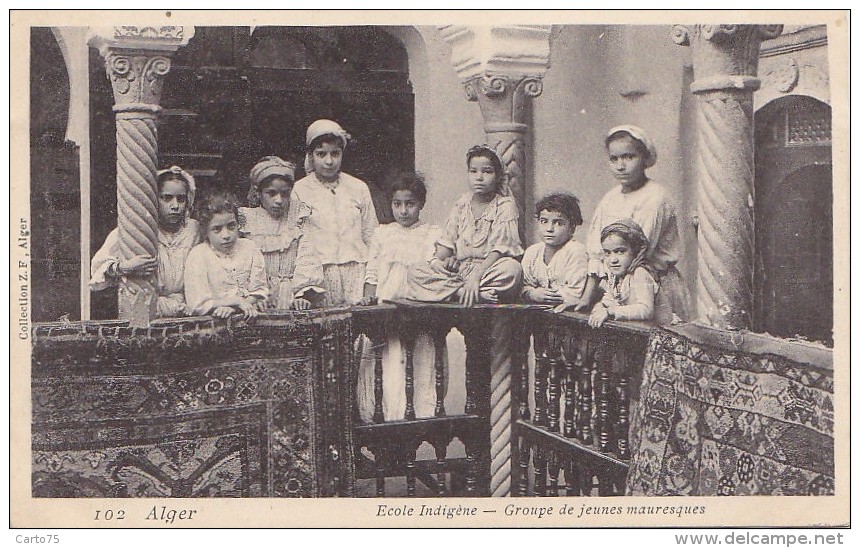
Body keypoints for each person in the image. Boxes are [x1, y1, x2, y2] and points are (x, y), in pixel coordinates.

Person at [573, 125, 690, 322]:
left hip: (652, 288)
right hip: (618, 286)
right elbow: (597, 252)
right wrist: (586, 298)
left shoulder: (655, 198)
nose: (620, 166)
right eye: (614, 159)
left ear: (645, 158)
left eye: (628, 157)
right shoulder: (610, 198)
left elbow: (637, 253)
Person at [356, 172, 447, 422]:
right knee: (388, 370)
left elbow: (436, 269)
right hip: (387, 312)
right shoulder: (383, 234)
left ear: (421, 204)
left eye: (410, 204)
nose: (404, 211)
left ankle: (417, 421)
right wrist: (369, 297)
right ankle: (388, 422)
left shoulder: (432, 233)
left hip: (418, 311)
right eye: (397, 204)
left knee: (419, 365)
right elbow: (372, 271)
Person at [408, 145, 523, 306]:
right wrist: (440, 262)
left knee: (513, 269)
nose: (479, 177)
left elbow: (499, 249)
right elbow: (446, 245)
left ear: (498, 176)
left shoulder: (505, 205)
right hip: (460, 272)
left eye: (487, 171)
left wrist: (475, 278)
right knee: (415, 271)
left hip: (487, 271)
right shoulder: (462, 204)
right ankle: (463, 292)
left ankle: (454, 291)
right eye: (473, 171)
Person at [288, 119, 378, 306]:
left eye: (335, 153)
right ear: (311, 155)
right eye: (321, 154)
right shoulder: (299, 190)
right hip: (319, 279)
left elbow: (373, 238)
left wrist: (371, 285)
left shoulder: (358, 188)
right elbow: (296, 241)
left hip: (357, 275)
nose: (329, 161)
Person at [89, 166, 200, 318]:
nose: (175, 206)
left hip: (186, 311)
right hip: (148, 310)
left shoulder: (194, 230)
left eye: (181, 199)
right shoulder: (136, 229)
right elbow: (98, 267)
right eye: (166, 198)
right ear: (154, 199)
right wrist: (124, 268)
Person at [239, 156, 324, 310]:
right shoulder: (247, 219)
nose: (278, 200)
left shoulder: (297, 216)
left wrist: (302, 295)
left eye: (284, 194)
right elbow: (241, 262)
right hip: (258, 297)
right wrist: (252, 298)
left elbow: (308, 257)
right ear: (258, 193)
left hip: (291, 295)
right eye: (271, 193)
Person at [184, 192, 268, 319]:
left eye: (231, 226)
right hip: (214, 321)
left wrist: (237, 307)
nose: (226, 235)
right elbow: (197, 303)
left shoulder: (250, 248)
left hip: (248, 315)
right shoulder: (199, 255)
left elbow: (259, 290)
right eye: (217, 229)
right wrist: (236, 302)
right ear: (206, 231)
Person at [589, 219, 664, 328]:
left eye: (620, 251)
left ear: (635, 251)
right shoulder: (616, 276)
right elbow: (610, 299)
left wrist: (609, 312)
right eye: (607, 253)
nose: (613, 259)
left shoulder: (640, 273)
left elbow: (646, 310)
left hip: (661, 333)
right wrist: (601, 306)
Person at [521, 192, 589, 313]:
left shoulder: (576, 251)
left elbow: (575, 292)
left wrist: (546, 296)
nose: (549, 229)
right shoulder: (533, 251)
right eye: (544, 221)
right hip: (538, 312)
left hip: (567, 312)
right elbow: (523, 285)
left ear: (572, 227)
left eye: (558, 223)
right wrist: (532, 293)